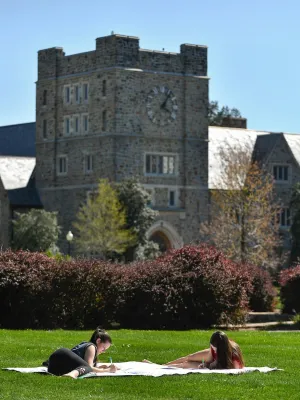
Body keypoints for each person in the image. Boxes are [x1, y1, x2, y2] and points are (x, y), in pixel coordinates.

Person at [145, 331, 244, 370]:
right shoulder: (213, 350)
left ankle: (157, 367)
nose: (212, 348)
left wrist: (206, 366)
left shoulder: (233, 356)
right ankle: (160, 366)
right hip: (214, 359)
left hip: (219, 361)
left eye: (213, 347)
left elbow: (236, 370)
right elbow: (210, 362)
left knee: (185, 364)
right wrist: (205, 365)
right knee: (188, 358)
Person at [46, 327, 118, 378]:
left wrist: (100, 368)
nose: (104, 351)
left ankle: (71, 374)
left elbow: (82, 364)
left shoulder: (87, 344)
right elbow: (89, 368)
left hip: (54, 367)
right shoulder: (92, 347)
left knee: (87, 368)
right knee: (88, 368)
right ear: (98, 341)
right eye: (103, 348)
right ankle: (72, 374)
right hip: (61, 356)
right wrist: (108, 370)